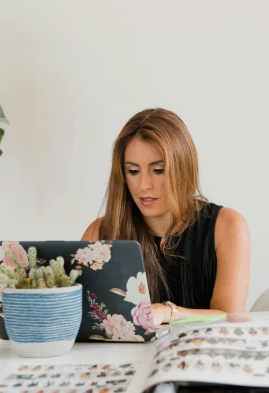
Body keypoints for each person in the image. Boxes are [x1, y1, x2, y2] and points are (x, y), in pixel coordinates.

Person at [82, 108, 250, 326]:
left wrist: (167, 312)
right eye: (133, 171)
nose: (144, 185)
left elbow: (229, 316)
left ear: (182, 168)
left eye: (158, 170)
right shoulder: (100, 233)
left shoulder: (227, 227)